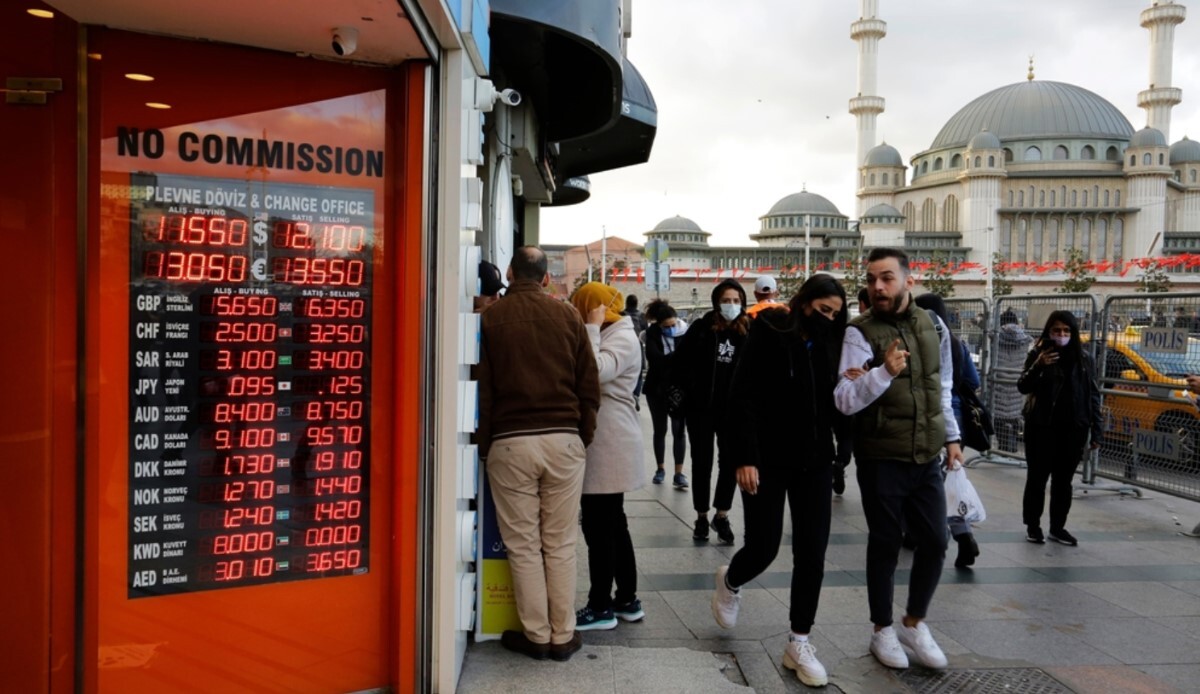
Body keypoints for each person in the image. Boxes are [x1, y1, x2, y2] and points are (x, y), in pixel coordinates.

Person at [712, 274, 851, 687]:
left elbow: (839, 400)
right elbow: (743, 396)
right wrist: (745, 458)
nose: (828, 319)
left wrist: (843, 446)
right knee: (764, 547)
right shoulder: (771, 331)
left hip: (814, 461)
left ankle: (799, 641)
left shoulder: (834, 343)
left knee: (812, 553)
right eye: (823, 310)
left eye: (835, 314)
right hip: (767, 460)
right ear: (805, 302)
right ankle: (731, 580)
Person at [834, 247, 962, 672]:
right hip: (881, 456)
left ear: (910, 279)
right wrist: (883, 372)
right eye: (872, 279)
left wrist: (952, 437)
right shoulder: (859, 333)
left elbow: (942, 386)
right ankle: (882, 630)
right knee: (885, 544)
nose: (878, 287)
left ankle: (913, 622)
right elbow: (845, 400)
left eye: (887, 277)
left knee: (937, 541)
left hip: (926, 453)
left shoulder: (933, 324)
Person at [477, 246, 601, 662]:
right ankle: (564, 635)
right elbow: (589, 384)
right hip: (563, 439)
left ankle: (536, 635)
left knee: (524, 545)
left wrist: (485, 444)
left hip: (511, 442)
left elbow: (484, 389)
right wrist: (581, 436)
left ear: (511, 273)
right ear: (547, 277)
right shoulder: (569, 316)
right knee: (561, 543)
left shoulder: (490, 319)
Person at [568, 283, 647, 631]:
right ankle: (626, 599)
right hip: (608, 439)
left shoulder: (622, 337)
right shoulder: (614, 331)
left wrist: (589, 328)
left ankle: (600, 605)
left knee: (601, 526)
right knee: (613, 523)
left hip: (610, 441)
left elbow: (595, 371)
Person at [671, 279, 750, 543]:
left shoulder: (745, 332)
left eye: (736, 300)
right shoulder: (701, 329)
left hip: (733, 412)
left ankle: (722, 514)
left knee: (730, 463)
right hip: (701, 409)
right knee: (702, 463)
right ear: (717, 302)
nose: (731, 305)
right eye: (727, 300)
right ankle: (702, 516)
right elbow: (680, 362)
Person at [1017, 310, 1102, 547]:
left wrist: (1097, 429)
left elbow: (1092, 395)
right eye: (1056, 330)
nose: (1061, 335)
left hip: (1074, 428)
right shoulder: (1037, 354)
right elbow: (1022, 386)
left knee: (1063, 482)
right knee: (1037, 478)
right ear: (1048, 332)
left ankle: (1058, 527)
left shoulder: (1085, 359)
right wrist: (1038, 365)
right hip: (1042, 427)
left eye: (1066, 331)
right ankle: (1033, 525)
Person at [914, 293, 982, 570]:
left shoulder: (922, 339)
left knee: (929, 485)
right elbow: (973, 380)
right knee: (950, 481)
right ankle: (963, 533)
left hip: (931, 416)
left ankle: (935, 536)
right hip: (956, 420)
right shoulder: (958, 343)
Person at [643, 299, 689, 488]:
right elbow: (654, 359)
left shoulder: (685, 332)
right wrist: (675, 359)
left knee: (679, 430)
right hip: (657, 389)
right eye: (666, 326)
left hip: (679, 388)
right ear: (659, 324)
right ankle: (660, 469)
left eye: (673, 324)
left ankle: (679, 473)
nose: (671, 328)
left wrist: (670, 360)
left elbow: (689, 358)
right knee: (659, 430)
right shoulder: (651, 334)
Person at [994, 309, 1032, 452]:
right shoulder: (1024, 339)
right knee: (1015, 414)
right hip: (1017, 382)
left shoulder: (997, 336)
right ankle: (1012, 446)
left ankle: (1003, 446)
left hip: (1000, 381)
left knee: (999, 414)